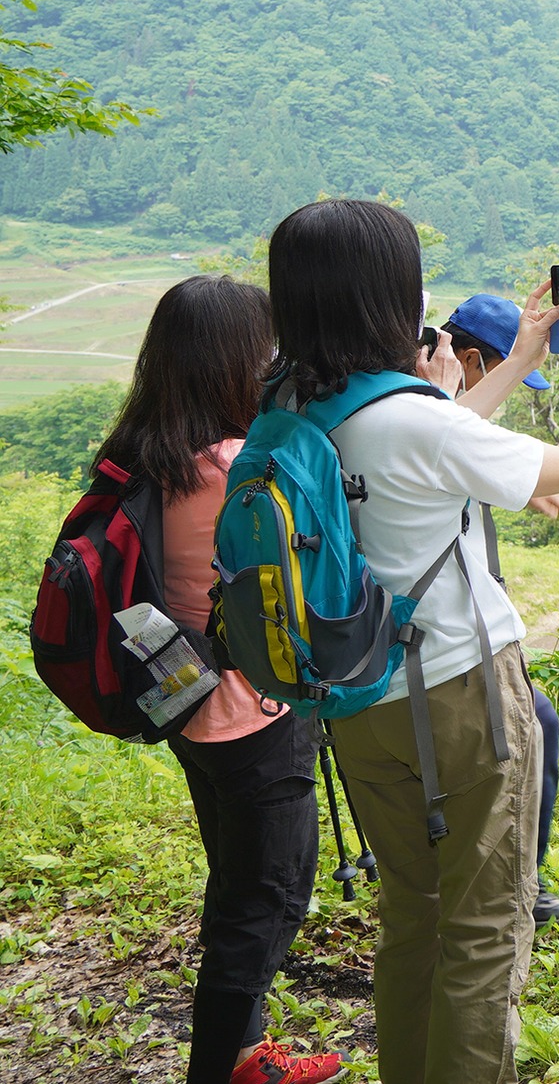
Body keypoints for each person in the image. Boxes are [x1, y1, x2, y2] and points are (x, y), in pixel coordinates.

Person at [269, 200, 559, 1084]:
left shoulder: (294, 409)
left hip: (358, 702)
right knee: (484, 927)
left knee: (414, 914)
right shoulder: (419, 423)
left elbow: (439, 430)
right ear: (387, 295)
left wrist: (522, 356)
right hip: (462, 695)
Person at [98, 276, 342, 1084]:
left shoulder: (144, 454)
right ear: (238, 359)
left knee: (239, 880)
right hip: (252, 712)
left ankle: (247, 1055)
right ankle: (221, 1070)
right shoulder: (236, 464)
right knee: (263, 903)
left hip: (184, 702)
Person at [443, 292, 559, 925]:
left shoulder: (423, 408)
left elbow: (465, 452)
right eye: (504, 371)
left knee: (535, 725)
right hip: (445, 633)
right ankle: (518, 881)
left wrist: (526, 492)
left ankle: (517, 872)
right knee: (536, 725)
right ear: (471, 359)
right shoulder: (430, 411)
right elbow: (454, 446)